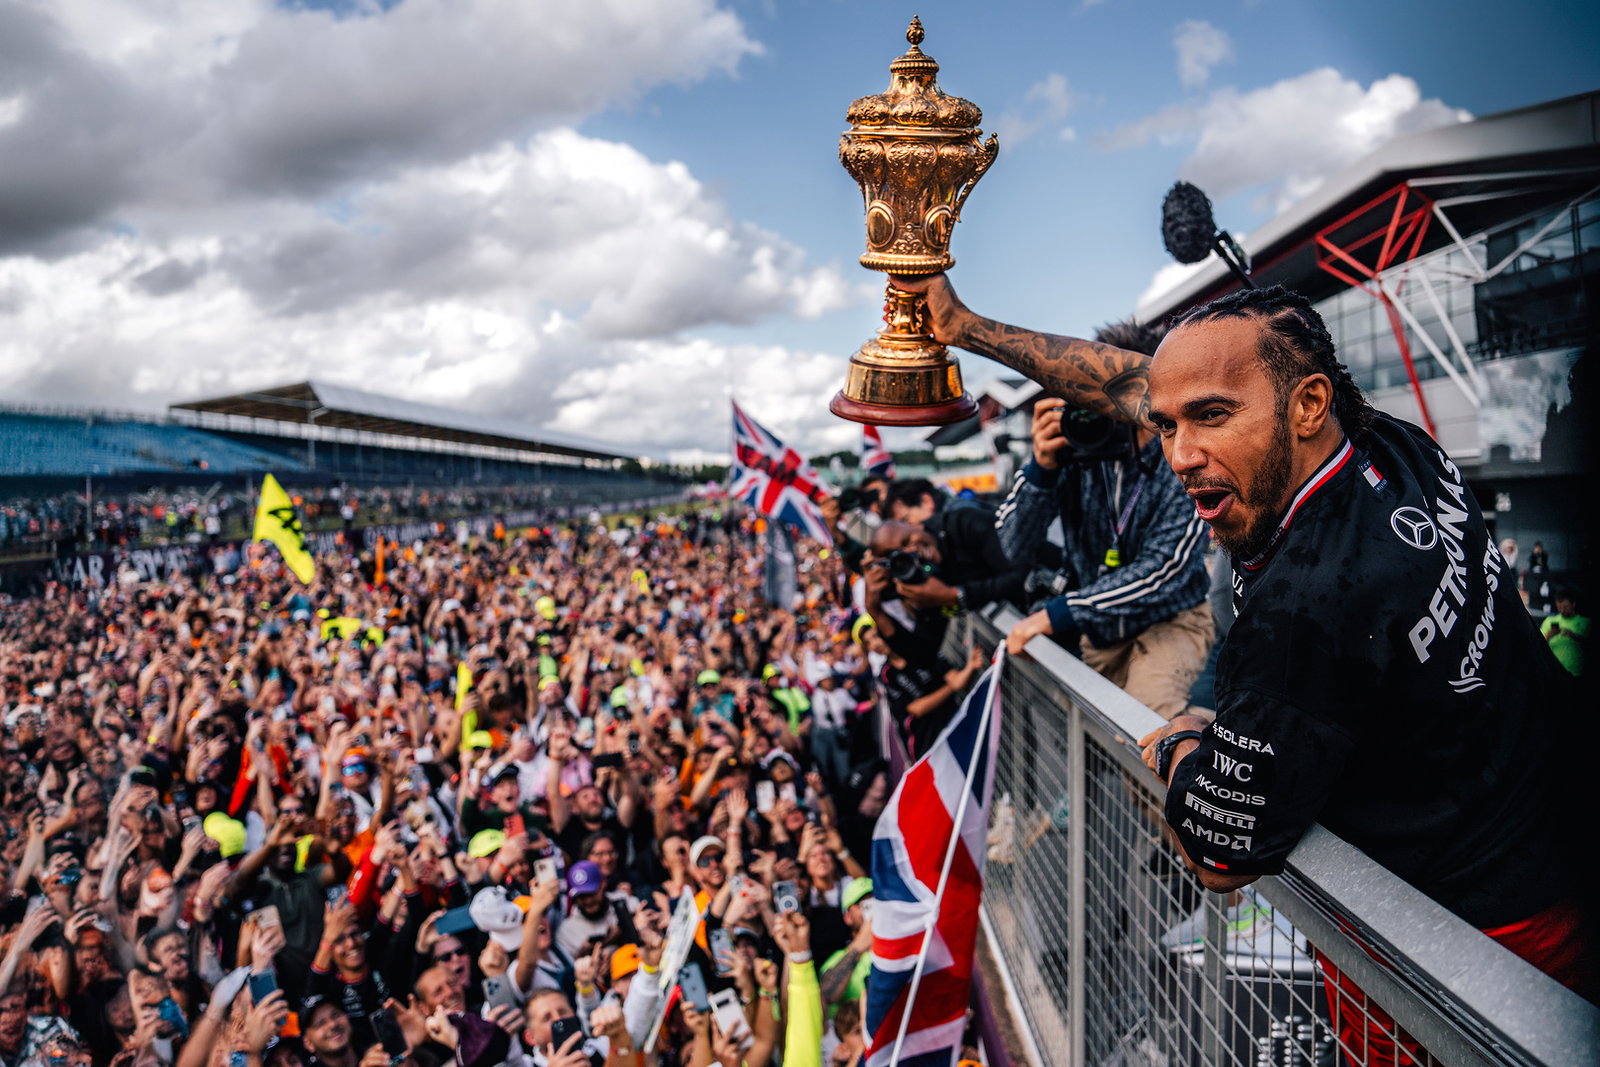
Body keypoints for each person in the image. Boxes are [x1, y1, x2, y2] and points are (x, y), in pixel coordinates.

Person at [893, 274, 1591, 1017]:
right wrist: (960, 323)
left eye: (1212, 417)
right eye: (1165, 425)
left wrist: (1183, 740)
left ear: (1308, 403)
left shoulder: (1303, 609)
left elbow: (1220, 854)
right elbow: (1124, 380)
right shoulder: (1384, 440)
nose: (1182, 453)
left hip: (1475, 955)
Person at [997, 319, 1214, 720]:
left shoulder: (1180, 455)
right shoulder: (1073, 448)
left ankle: (1215, 745)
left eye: (1112, 395)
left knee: (1146, 728)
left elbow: (1168, 569)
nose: (1099, 410)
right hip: (1100, 629)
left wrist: (1061, 613)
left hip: (1170, 621)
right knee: (1102, 731)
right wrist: (1041, 470)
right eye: (1089, 394)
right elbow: (1010, 548)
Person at [1540, 585, 1587, 676]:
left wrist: (1574, 636)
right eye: (1559, 607)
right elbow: (1537, 644)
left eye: (1565, 607)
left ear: (1573, 604)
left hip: (1576, 673)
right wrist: (1549, 636)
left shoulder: (1585, 622)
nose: (1562, 610)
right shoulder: (1549, 621)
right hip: (1554, 673)